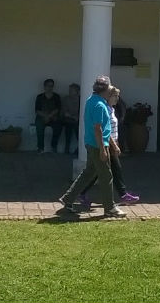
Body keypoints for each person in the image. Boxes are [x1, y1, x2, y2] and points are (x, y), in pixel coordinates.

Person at [58, 75, 126, 218]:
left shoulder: (91, 100)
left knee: (88, 173)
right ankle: (110, 208)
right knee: (106, 176)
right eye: (109, 87)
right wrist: (103, 149)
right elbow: (98, 129)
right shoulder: (100, 105)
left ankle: (68, 199)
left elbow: (103, 128)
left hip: (91, 143)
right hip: (97, 145)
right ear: (105, 89)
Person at [78, 86, 140, 206]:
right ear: (109, 96)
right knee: (114, 169)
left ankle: (81, 193)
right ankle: (122, 195)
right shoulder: (104, 108)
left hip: (112, 143)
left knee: (97, 172)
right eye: (115, 96)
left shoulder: (111, 109)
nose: (117, 98)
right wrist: (114, 146)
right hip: (107, 143)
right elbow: (105, 130)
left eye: (118, 96)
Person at [60, 83, 81, 155]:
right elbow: (64, 112)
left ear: (77, 91)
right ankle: (67, 148)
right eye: (70, 90)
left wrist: (77, 117)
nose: (70, 91)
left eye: (72, 90)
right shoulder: (66, 99)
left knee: (79, 129)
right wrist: (73, 117)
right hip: (68, 119)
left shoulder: (81, 99)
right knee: (69, 127)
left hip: (78, 120)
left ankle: (79, 149)